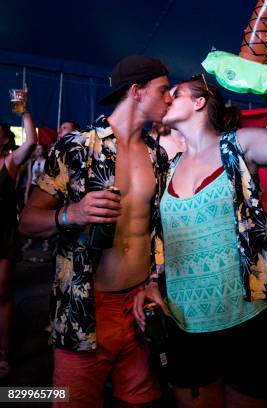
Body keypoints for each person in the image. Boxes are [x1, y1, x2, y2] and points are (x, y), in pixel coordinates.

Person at [133, 11, 267, 408]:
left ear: (201, 102)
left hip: (248, 319)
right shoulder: (166, 166)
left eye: (177, 93)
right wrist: (152, 282)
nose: (168, 97)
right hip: (185, 323)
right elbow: (160, 240)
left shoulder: (238, 145)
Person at [20, 54, 172, 406]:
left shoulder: (156, 155)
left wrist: (152, 283)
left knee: (142, 401)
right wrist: (69, 214)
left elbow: (157, 230)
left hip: (138, 306)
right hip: (86, 310)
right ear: (136, 91)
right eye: (163, 90)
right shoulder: (77, 147)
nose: (169, 98)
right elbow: (28, 221)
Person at [0, 112, 36, 379]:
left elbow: (31, 142)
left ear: (3, 139)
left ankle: (3, 355)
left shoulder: (9, 162)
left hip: (2, 234)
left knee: (1, 295)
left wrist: (24, 112)